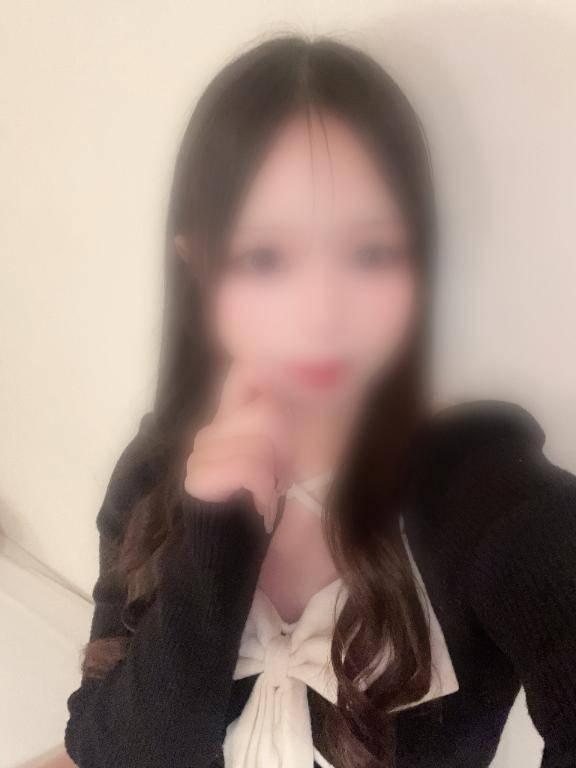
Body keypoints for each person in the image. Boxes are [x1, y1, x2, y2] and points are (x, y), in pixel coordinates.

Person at [63, 35, 576, 768]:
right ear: (199, 267)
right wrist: (212, 538)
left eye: (372, 252)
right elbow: (112, 751)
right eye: (265, 257)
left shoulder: (486, 495)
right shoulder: (153, 470)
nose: (323, 312)